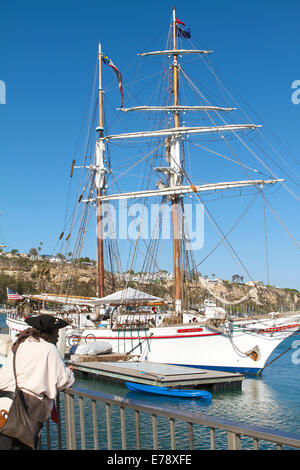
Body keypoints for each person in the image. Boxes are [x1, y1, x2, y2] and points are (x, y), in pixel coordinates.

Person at [0, 314, 75, 450]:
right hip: (25, 410)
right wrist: (69, 372)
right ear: (50, 332)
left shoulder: (21, 343)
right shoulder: (49, 349)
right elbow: (61, 381)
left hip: (4, 403)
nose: (58, 335)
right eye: (57, 331)